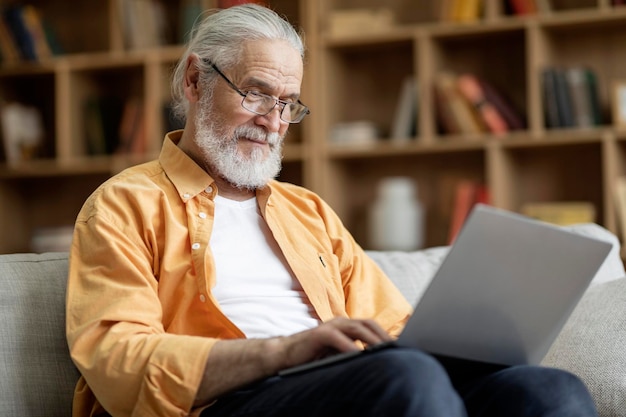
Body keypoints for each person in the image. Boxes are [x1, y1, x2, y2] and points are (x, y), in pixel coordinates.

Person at [66, 4, 598, 417]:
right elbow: (118, 360)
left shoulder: (308, 212)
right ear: (193, 80)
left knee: (547, 389)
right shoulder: (124, 204)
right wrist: (285, 352)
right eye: (255, 93)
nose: (274, 121)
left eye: (287, 103)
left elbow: (393, 331)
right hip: (227, 402)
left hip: (353, 387)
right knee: (404, 378)